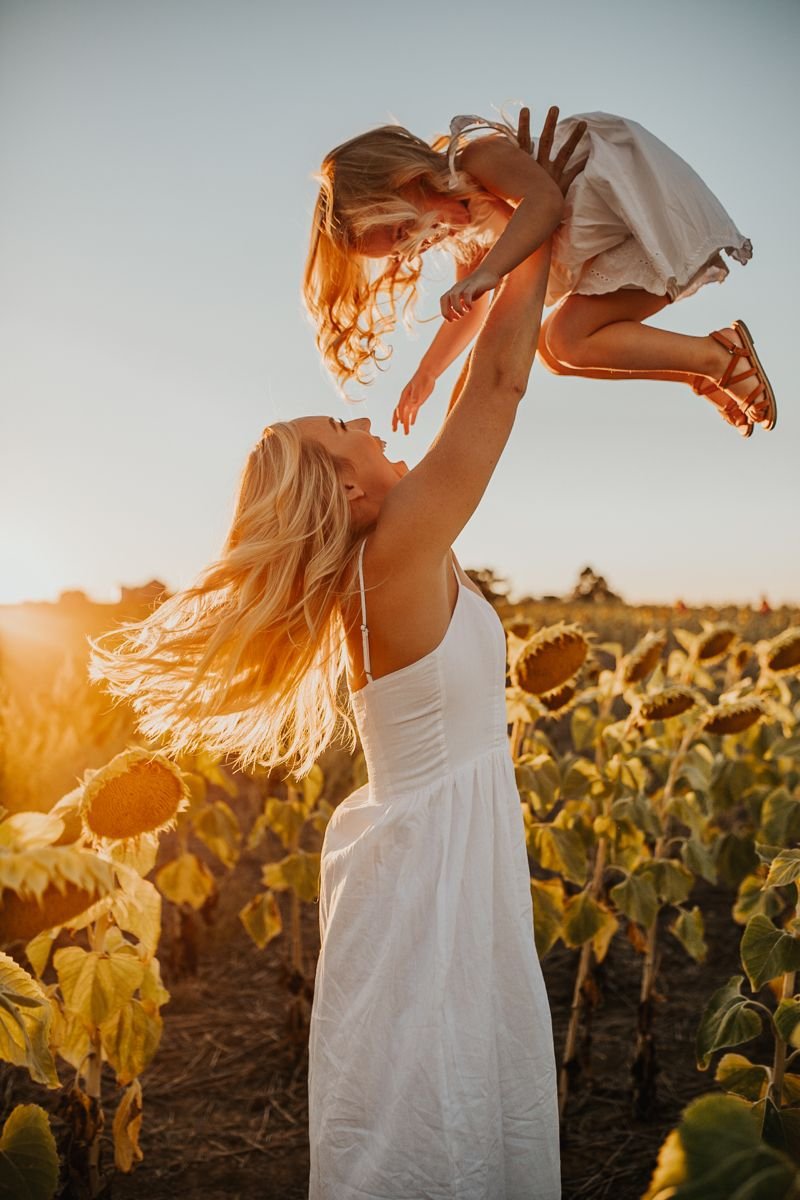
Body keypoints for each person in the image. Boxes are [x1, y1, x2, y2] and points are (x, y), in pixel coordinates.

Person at [92, 109, 575, 1200]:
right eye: (340, 429)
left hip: (431, 860)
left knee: (439, 1107)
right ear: (346, 491)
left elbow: (473, 381)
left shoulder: (386, 559)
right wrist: (538, 210)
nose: (363, 420)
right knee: (432, 1114)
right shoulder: (393, 558)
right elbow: (495, 390)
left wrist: (499, 224)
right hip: (431, 874)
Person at [304, 104, 777, 440]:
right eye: (403, 250)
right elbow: (473, 309)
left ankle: (718, 362)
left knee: (559, 342)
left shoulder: (477, 158)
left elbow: (544, 201)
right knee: (559, 349)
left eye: (405, 230)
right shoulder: (462, 229)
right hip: (605, 245)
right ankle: (710, 366)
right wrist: (426, 375)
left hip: (639, 207)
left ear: (403, 180)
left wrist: (488, 273)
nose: (416, 247)